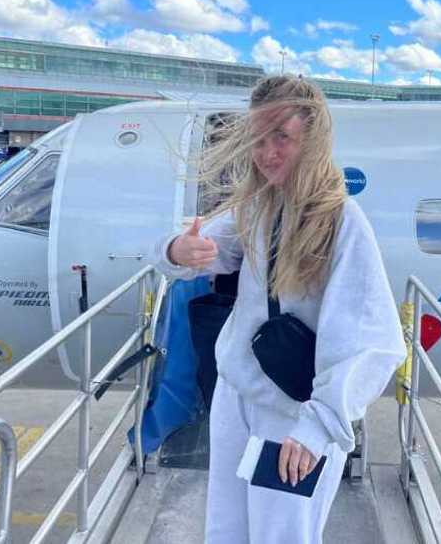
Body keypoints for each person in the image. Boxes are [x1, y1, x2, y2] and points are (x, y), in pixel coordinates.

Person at [151, 75, 406, 543]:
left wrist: (320, 425)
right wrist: (177, 250)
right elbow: (202, 245)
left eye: (282, 138)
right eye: (258, 139)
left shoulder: (342, 221)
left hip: (294, 413)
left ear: (311, 140)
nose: (268, 153)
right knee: (227, 531)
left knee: (281, 535)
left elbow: (374, 340)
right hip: (237, 397)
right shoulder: (258, 207)